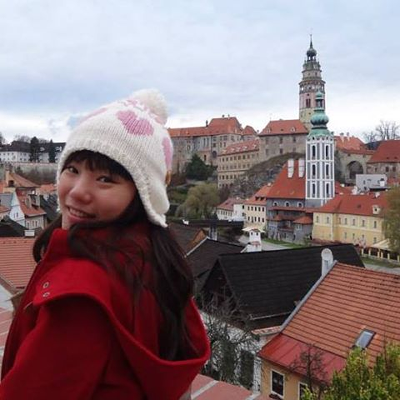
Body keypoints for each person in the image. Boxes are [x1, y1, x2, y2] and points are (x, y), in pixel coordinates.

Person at [0, 90, 210, 399]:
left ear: (142, 194)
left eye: (105, 179)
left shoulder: (81, 294)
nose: (77, 191)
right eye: (73, 170)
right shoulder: (152, 257)